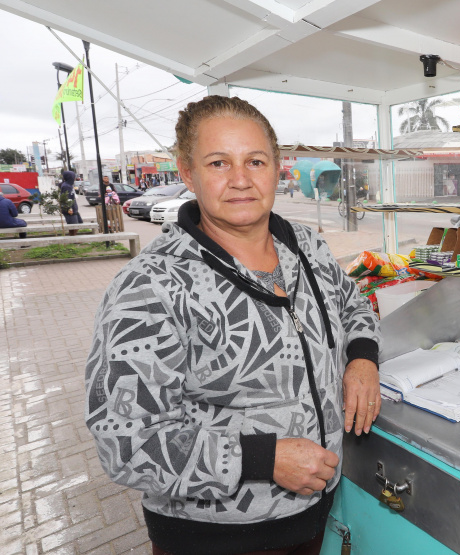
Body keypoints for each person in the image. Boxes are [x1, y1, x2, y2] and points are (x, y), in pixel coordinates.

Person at [85, 95, 381, 555]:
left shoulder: (304, 244)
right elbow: (124, 441)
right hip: (215, 537)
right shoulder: (151, 285)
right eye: (219, 162)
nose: (240, 180)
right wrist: (264, 459)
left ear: (277, 168)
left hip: (313, 516)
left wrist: (362, 358)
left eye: (255, 161)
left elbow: (354, 305)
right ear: (188, 173)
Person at [58, 170, 83, 236]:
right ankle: (73, 239)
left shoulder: (69, 185)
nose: (74, 178)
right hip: (69, 208)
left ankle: (73, 237)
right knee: (73, 226)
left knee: (79, 222)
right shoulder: (66, 186)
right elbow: (66, 197)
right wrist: (69, 208)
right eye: (73, 176)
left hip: (74, 207)